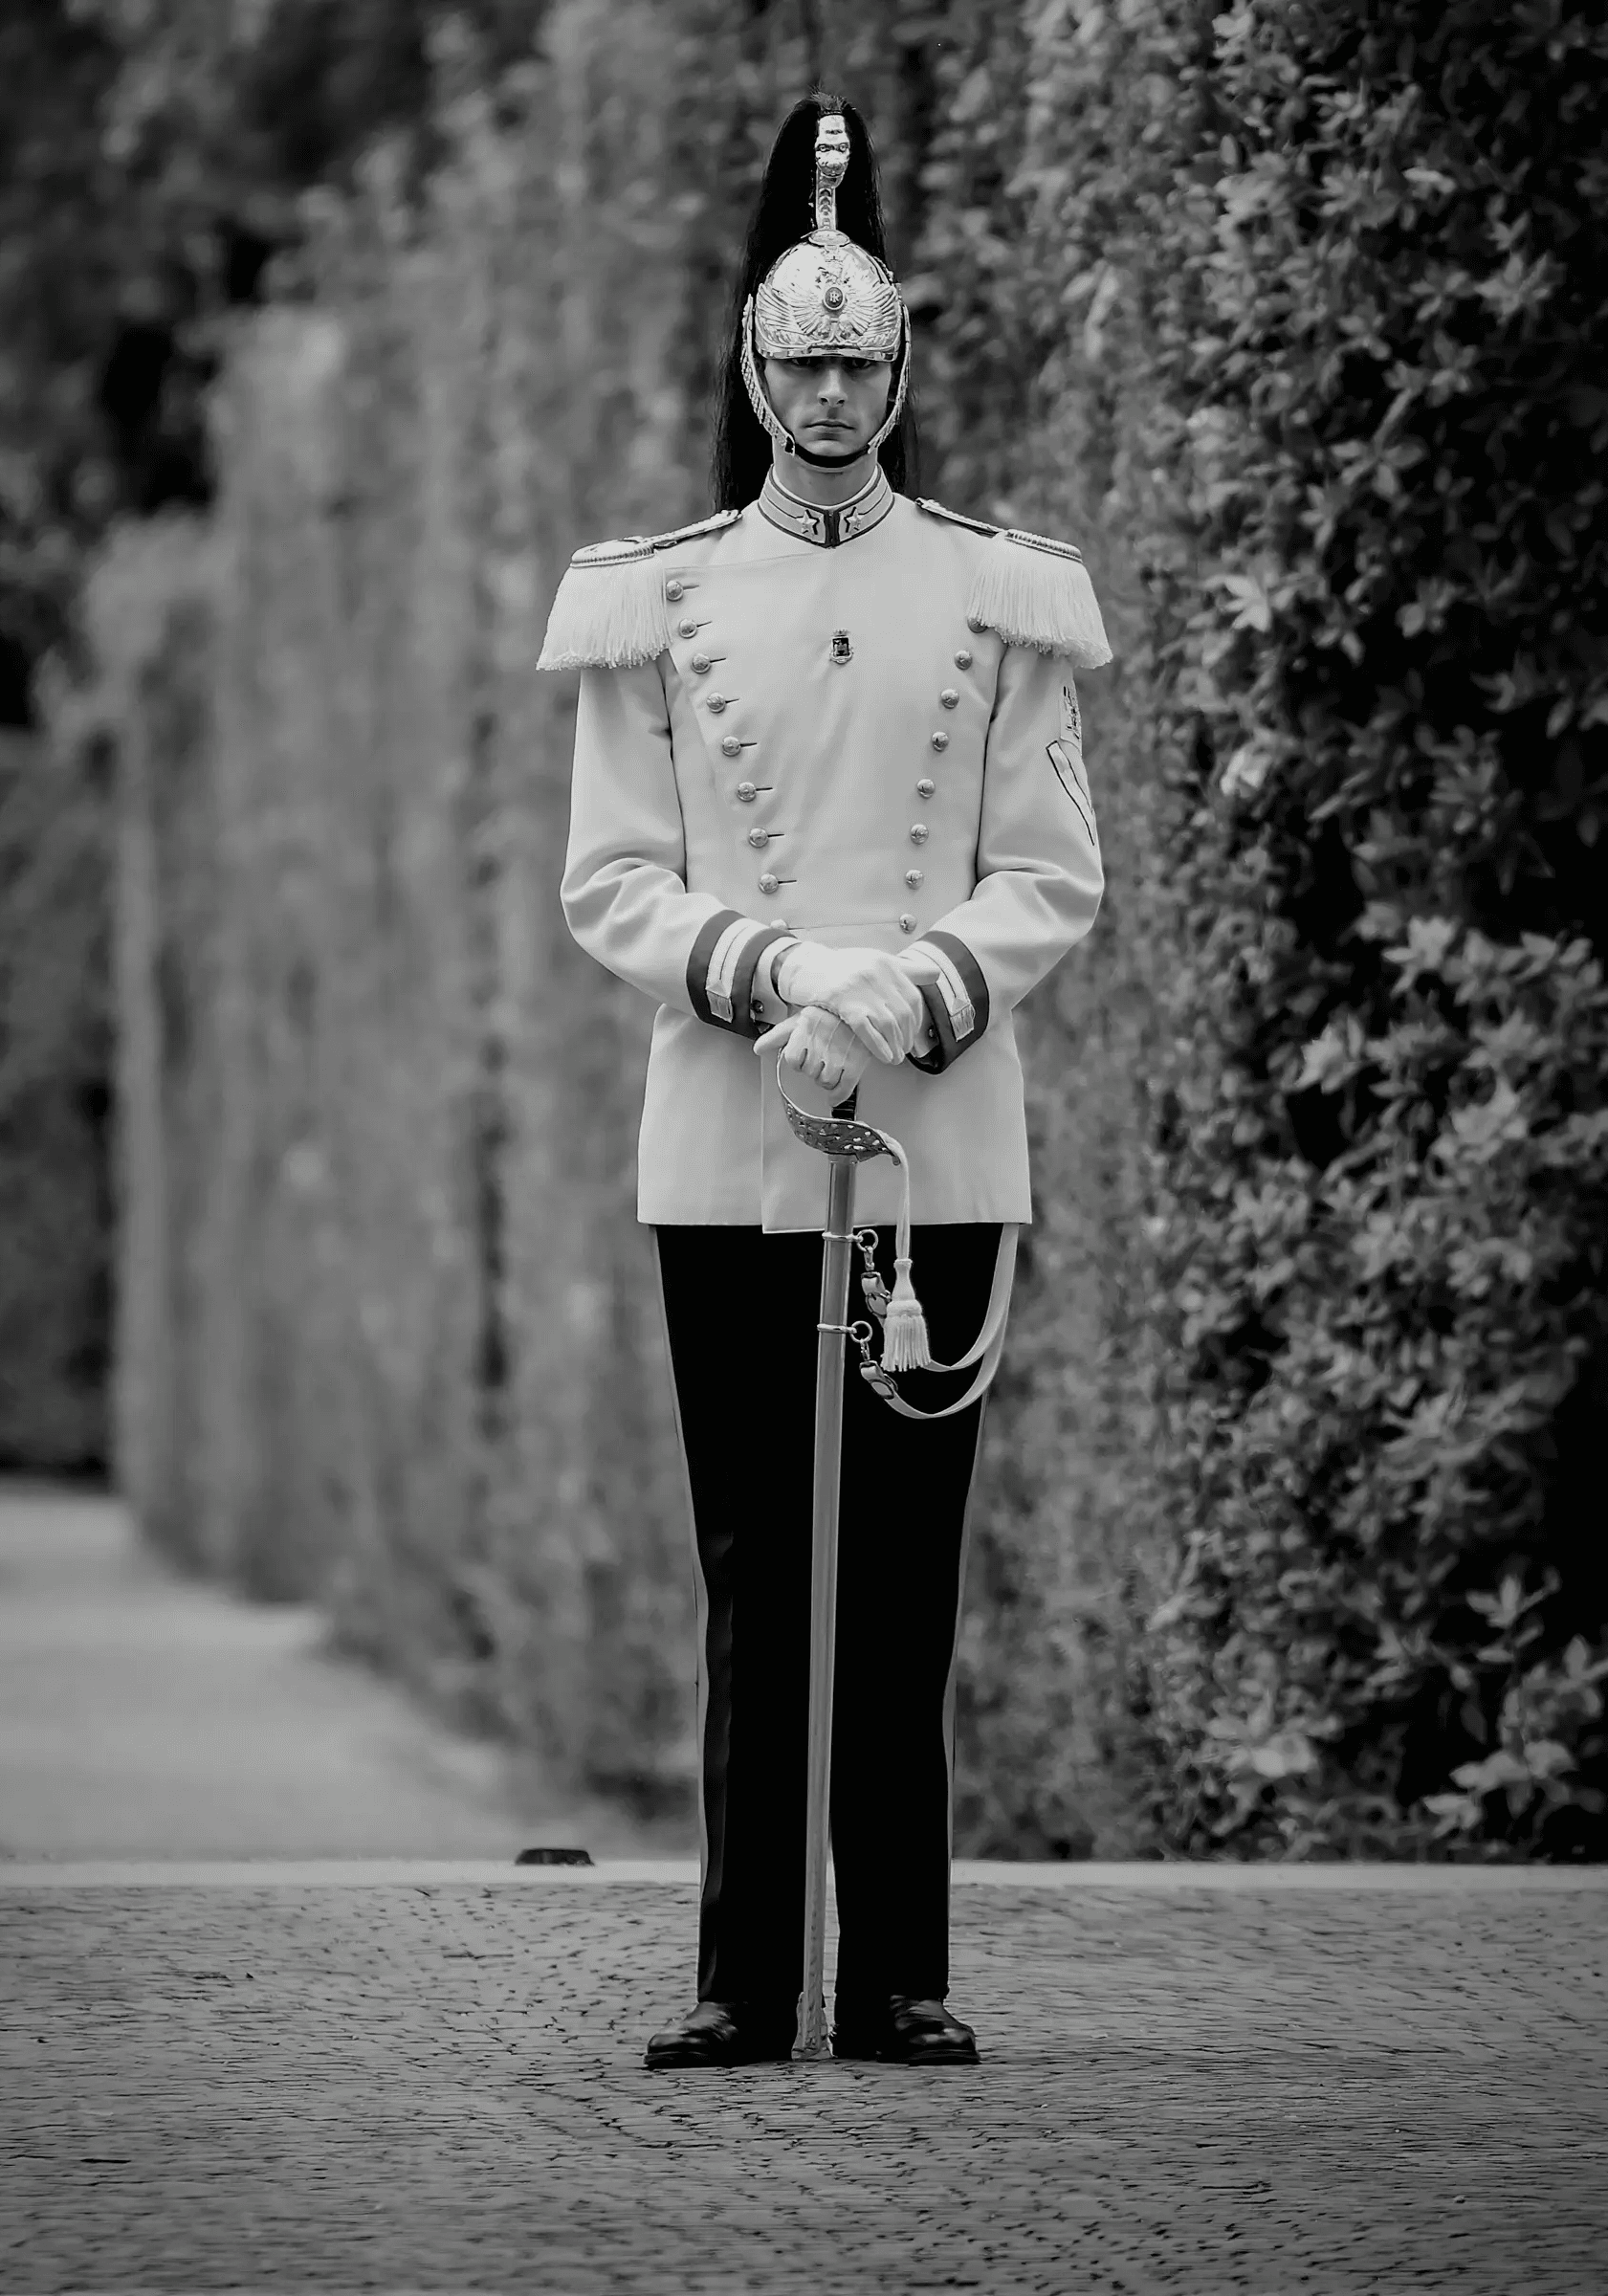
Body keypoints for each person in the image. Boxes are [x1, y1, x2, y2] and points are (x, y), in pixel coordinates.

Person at [540, 95, 1110, 2068]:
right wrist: (771, 969)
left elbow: (1050, 875)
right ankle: (734, 1973)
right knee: (748, 1573)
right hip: (725, 1133)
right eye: (797, 360)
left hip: (935, 1136)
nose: (829, 391)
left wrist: (904, 995)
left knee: (902, 1583)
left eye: (858, 360)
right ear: (748, 367)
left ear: (900, 367)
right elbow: (608, 878)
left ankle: (896, 1978)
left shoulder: (1000, 590)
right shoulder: (654, 595)